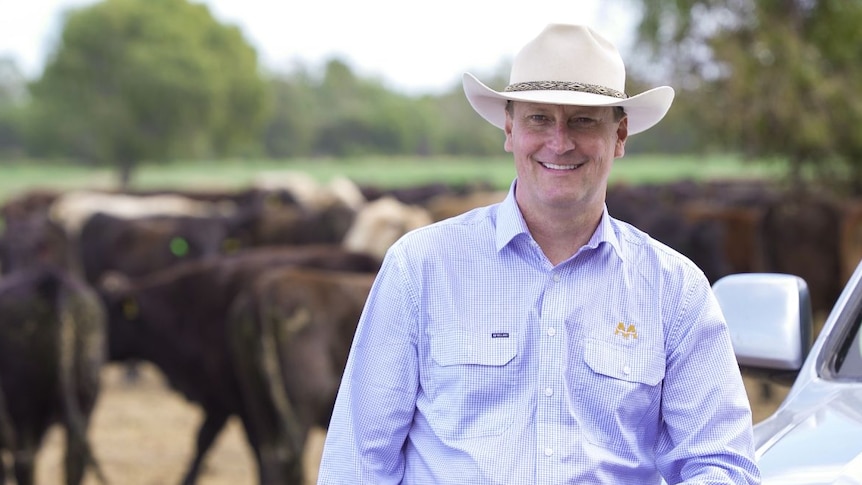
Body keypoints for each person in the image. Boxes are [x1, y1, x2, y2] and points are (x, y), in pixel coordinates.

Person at [317, 23, 760, 484]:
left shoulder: (676, 289)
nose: (560, 141)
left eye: (583, 119)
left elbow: (722, 465)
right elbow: (357, 462)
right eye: (539, 118)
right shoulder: (420, 266)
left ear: (620, 134)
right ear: (510, 128)